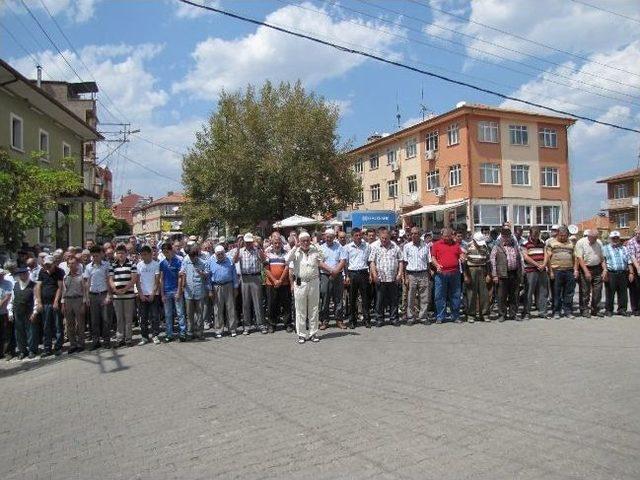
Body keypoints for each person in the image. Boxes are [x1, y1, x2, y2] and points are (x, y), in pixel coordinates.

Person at [286, 231, 324, 343]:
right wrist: (295, 247)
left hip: (313, 282)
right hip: (300, 283)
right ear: (299, 241)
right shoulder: (296, 252)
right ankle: (301, 334)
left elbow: (323, 257)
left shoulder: (314, 250)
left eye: (308, 240)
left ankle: (313, 333)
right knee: (300, 309)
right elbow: (287, 259)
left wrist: (316, 245)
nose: (306, 243)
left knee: (314, 308)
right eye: (303, 241)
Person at [233, 233, 266, 335]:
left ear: (252, 241)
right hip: (245, 278)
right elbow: (234, 260)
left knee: (258, 302)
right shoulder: (241, 251)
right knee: (246, 303)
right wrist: (238, 248)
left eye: (250, 242)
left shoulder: (257, 250)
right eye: (246, 242)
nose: (248, 244)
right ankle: (247, 326)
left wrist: (259, 247)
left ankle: (261, 324)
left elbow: (264, 259)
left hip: (255, 277)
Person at [369, 228, 403, 327]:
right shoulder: (376, 247)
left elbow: (400, 260)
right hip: (381, 278)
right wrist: (374, 275)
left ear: (389, 237)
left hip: (393, 278)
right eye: (382, 238)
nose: (384, 240)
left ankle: (394, 319)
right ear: (380, 237)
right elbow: (372, 262)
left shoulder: (395, 246)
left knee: (394, 300)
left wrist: (399, 274)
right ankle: (379, 319)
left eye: (386, 238)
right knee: (379, 300)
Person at [430, 228, 464, 323]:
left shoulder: (456, 244)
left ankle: (455, 316)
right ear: (442, 236)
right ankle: (440, 316)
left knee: (455, 295)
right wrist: (437, 265)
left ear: (451, 236)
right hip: (441, 274)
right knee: (439, 295)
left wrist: (462, 258)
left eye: (448, 237)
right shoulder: (436, 245)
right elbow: (433, 257)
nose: (447, 239)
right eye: (445, 237)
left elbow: (460, 254)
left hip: (454, 273)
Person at [490, 227, 523, 321]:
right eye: (504, 236)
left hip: (514, 273)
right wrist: (494, 275)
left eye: (508, 236)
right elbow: (492, 261)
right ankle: (502, 314)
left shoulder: (515, 246)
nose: (507, 238)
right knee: (502, 296)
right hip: (502, 274)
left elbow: (520, 259)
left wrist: (521, 272)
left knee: (514, 295)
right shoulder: (497, 246)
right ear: (502, 237)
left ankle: (513, 313)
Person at [109, 244, 138, 347]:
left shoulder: (132, 264)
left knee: (128, 318)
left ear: (126, 254)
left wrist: (125, 289)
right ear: (116, 254)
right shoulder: (112, 265)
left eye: (122, 253)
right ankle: (119, 338)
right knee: (119, 318)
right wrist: (115, 289)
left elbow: (134, 279)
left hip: (129, 296)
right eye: (118, 253)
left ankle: (128, 339)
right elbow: (110, 279)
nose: (120, 255)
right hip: (117, 296)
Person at [179, 244, 209, 341]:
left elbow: (207, 275)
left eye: (194, 257)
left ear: (197, 256)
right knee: (189, 314)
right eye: (191, 257)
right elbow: (181, 271)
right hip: (188, 292)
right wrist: (180, 273)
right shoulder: (185, 260)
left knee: (200, 314)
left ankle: (200, 333)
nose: (192, 259)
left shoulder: (202, 262)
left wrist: (202, 273)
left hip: (199, 291)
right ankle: (190, 332)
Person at [319, 228, 348, 330]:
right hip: (325, 275)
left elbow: (343, 260)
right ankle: (324, 320)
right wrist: (332, 270)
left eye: (331, 237)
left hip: (338, 275)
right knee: (325, 298)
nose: (329, 239)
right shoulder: (320, 248)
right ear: (324, 237)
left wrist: (336, 271)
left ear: (334, 237)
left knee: (338, 298)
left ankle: (339, 320)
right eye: (327, 237)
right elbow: (319, 262)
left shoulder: (339, 247)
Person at [545, 226, 576, 319]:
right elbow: (548, 258)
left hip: (569, 270)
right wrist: (550, 271)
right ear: (557, 234)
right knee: (556, 292)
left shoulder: (571, 243)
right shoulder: (551, 243)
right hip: (556, 271)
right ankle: (556, 311)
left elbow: (575, 257)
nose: (563, 237)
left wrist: (575, 269)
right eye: (561, 235)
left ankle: (568, 311)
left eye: (565, 236)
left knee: (569, 292)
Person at [84, 246, 111, 350]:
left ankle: (106, 341)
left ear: (101, 254)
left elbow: (109, 281)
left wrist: (109, 295)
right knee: (94, 320)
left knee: (105, 319)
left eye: (97, 255)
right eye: (93, 256)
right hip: (93, 295)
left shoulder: (107, 265)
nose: (95, 257)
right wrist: (86, 297)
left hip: (104, 294)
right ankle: (96, 341)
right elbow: (87, 283)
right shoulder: (88, 267)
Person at [402, 227, 431, 325]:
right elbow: (405, 263)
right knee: (411, 297)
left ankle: (423, 317)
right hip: (411, 274)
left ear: (420, 234)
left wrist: (428, 275)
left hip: (423, 274)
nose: (414, 235)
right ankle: (411, 317)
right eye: (412, 234)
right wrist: (405, 277)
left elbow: (428, 262)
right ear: (410, 235)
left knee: (424, 296)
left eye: (417, 233)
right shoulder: (407, 246)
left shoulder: (426, 246)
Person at [8, 267, 38, 360]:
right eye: (20, 274)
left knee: (31, 332)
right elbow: (12, 300)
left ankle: (32, 350)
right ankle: (22, 351)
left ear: (27, 274)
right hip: (18, 312)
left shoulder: (33, 285)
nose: (22, 276)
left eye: (24, 274)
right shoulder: (15, 285)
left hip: (29, 312)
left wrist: (35, 312)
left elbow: (36, 299)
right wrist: (10, 312)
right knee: (19, 333)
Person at [36, 255, 64, 356]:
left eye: (49, 265)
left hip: (55, 303)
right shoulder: (42, 272)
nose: (47, 266)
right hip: (45, 303)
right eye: (45, 264)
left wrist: (56, 301)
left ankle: (58, 347)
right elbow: (38, 286)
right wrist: (39, 302)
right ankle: (47, 348)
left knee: (57, 325)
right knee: (46, 326)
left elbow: (60, 288)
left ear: (54, 264)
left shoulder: (59, 271)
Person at [209, 245, 239, 338]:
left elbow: (234, 274)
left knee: (230, 308)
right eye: (218, 254)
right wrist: (209, 289)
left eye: (222, 254)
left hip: (228, 285)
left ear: (224, 253)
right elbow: (208, 277)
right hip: (216, 286)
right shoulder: (211, 261)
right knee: (218, 309)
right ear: (215, 254)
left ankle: (232, 329)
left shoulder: (230, 260)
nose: (220, 256)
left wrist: (235, 287)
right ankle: (218, 330)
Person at [264, 233, 292, 333]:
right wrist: (275, 280)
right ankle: (272, 324)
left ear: (281, 243)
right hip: (271, 283)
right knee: (272, 304)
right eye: (275, 243)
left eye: (279, 243)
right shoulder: (267, 253)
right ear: (272, 243)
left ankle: (288, 324)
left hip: (284, 283)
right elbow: (266, 269)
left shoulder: (286, 253)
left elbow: (287, 267)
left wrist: (280, 280)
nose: (277, 245)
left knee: (286, 304)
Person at [345, 228, 371, 329]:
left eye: (360, 235)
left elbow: (369, 261)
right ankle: (352, 320)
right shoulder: (348, 247)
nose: (359, 237)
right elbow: (346, 263)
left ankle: (367, 320)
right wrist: (346, 276)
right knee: (352, 298)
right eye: (356, 235)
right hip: (352, 274)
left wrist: (370, 274)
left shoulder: (367, 246)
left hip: (364, 273)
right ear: (352, 236)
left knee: (365, 298)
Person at [575, 229, 605, 318]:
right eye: (594, 238)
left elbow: (601, 257)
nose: (595, 240)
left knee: (598, 291)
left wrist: (605, 269)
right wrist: (586, 271)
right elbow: (579, 258)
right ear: (589, 236)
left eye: (596, 238)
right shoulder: (581, 242)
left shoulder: (599, 243)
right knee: (585, 291)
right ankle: (584, 309)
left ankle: (595, 309)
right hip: (585, 268)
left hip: (597, 268)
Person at [602, 231, 633, 317]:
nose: (615, 239)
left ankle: (622, 309)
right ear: (610, 239)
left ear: (619, 238)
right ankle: (608, 310)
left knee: (623, 293)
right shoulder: (605, 248)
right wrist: (605, 271)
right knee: (610, 292)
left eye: (617, 238)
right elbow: (603, 260)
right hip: (611, 273)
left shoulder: (624, 248)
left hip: (623, 273)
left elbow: (629, 261)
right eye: (613, 238)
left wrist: (631, 272)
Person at [159, 243, 185, 342]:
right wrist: (162, 294)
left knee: (180, 313)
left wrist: (179, 291)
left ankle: (182, 333)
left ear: (171, 250)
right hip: (166, 291)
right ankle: (169, 334)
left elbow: (180, 278)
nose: (166, 254)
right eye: (164, 252)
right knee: (168, 314)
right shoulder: (162, 263)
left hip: (176, 291)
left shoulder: (178, 261)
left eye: (167, 251)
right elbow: (161, 279)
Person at [521, 226, 549, 319]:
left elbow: (546, 254)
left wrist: (544, 264)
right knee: (529, 292)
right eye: (534, 235)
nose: (536, 237)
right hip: (531, 271)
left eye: (537, 235)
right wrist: (537, 265)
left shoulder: (543, 243)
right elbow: (525, 257)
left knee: (543, 292)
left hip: (542, 270)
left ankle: (543, 312)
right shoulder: (525, 244)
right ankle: (526, 312)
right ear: (530, 234)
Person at [136, 245, 161, 345]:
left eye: (145, 254)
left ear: (150, 254)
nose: (143, 257)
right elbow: (137, 281)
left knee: (155, 316)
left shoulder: (156, 264)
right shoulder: (139, 265)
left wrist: (153, 293)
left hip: (154, 294)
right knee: (143, 317)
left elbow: (157, 280)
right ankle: (144, 336)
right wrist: (140, 294)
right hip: (142, 295)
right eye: (142, 255)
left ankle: (155, 335)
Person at [464, 232, 491, 322]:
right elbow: (464, 263)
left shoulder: (485, 247)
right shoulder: (467, 247)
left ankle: (484, 314)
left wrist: (488, 274)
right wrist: (466, 275)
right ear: (474, 241)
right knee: (471, 294)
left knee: (484, 294)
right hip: (471, 270)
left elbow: (488, 262)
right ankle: (471, 315)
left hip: (482, 269)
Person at [60, 256, 85, 354]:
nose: (71, 265)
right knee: (69, 324)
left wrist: (83, 303)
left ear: (77, 264)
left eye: (73, 263)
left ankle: (81, 343)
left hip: (78, 300)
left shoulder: (81, 276)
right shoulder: (65, 277)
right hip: (68, 301)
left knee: (80, 323)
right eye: (69, 263)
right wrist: (63, 304)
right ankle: (72, 344)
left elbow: (84, 291)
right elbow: (63, 291)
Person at [624, 226, 640, 315]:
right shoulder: (631, 242)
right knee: (635, 289)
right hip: (634, 266)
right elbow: (632, 256)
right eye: (637, 233)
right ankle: (636, 309)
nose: (638, 235)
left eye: (639, 234)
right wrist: (637, 268)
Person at [0, 269, 13, 359]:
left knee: (6, 333)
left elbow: (8, 296)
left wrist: (1, 303)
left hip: (4, 312)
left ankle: (7, 352)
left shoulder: (7, 283)